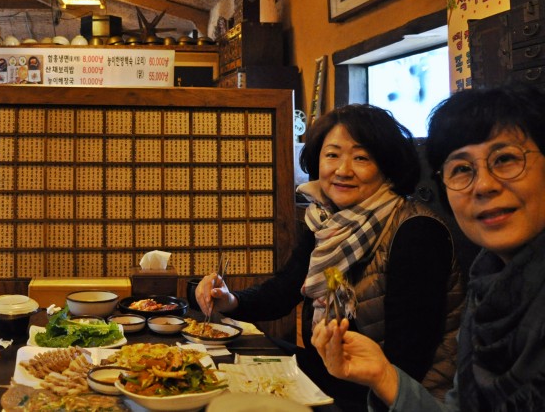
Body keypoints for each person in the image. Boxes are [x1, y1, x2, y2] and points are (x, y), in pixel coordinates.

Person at [195, 104, 463, 410]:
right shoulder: (325, 219)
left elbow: (410, 359)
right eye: (332, 154)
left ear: (387, 165)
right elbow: (285, 289)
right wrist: (232, 301)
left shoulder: (416, 231)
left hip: (393, 396)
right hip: (330, 375)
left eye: (361, 157)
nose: (343, 170)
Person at [311, 84, 545, 411]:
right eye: (462, 169)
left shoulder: (416, 229)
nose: (485, 185)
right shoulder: (489, 283)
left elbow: (414, 357)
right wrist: (381, 375)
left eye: (505, 159)